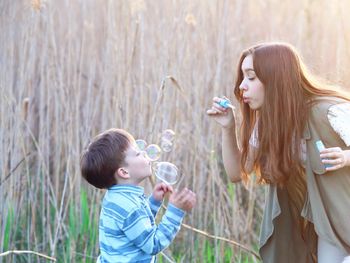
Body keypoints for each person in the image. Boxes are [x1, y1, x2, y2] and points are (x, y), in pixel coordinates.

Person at [207, 42, 350, 263]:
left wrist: (346, 156)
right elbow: (237, 172)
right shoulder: (267, 124)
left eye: (251, 77)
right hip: (328, 225)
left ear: (276, 79)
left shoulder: (330, 111)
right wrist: (228, 127)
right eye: (243, 77)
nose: (241, 86)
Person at [80, 128, 196, 263]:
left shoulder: (116, 198)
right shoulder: (129, 207)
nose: (144, 153)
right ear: (124, 172)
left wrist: (153, 202)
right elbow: (153, 244)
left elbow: (136, 228)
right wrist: (175, 212)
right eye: (137, 153)